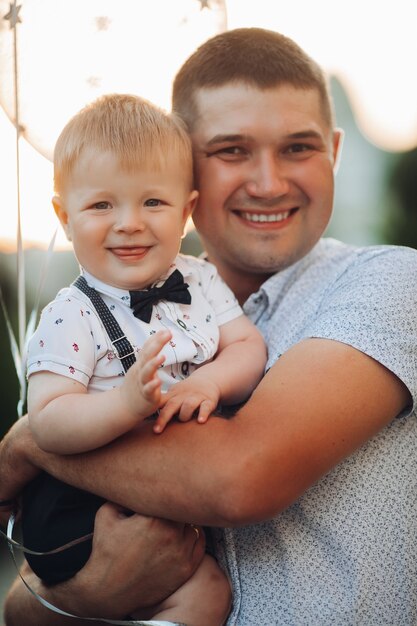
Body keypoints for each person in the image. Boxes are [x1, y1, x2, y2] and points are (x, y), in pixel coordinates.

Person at [2, 26, 417, 626]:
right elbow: (19, 611)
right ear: (186, 164)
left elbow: (241, 479)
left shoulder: (391, 282)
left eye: (299, 148)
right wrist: (82, 597)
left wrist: (30, 442)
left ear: (334, 151)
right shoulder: (96, 308)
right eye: (231, 150)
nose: (269, 182)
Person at [9, 93, 268, 625]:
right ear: (63, 214)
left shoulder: (198, 278)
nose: (129, 223)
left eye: (153, 202)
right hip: (79, 507)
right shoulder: (70, 315)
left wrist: (211, 383)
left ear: (187, 210)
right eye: (102, 205)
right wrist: (125, 403)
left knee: (208, 595)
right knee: (199, 587)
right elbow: (49, 424)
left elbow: (246, 345)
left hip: (169, 486)